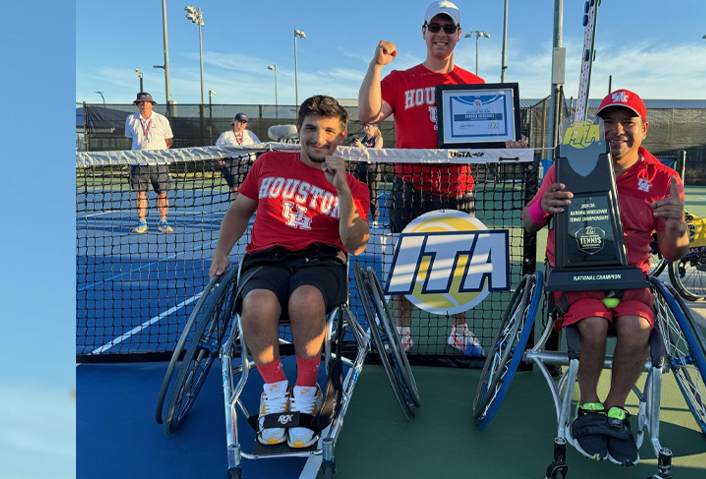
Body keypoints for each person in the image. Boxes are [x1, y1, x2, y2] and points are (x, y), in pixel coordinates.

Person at [521, 89, 689, 466]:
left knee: (636, 327)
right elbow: (528, 222)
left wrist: (678, 224)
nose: (616, 131)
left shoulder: (665, 179)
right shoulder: (563, 168)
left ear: (643, 128)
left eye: (627, 122)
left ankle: (616, 410)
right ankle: (590, 404)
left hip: (627, 284)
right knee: (594, 325)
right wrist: (543, 208)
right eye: (607, 123)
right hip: (575, 282)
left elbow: (672, 252)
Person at [209, 95, 370, 448]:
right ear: (299, 131)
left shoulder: (355, 187)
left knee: (306, 301)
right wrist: (221, 253)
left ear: (341, 137)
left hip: (322, 259)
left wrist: (342, 188)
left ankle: (305, 388)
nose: (318, 137)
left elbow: (355, 243)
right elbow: (239, 211)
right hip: (265, 259)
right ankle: (275, 388)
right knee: (256, 306)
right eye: (310, 128)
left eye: (328, 130)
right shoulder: (267, 162)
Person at [358, 0, 503, 356]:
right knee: (405, 263)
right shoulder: (400, 80)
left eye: (448, 28)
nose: (441, 34)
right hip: (410, 188)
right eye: (434, 28)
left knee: (463, 264)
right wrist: (376, 66)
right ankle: (402, 332)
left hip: (459, 189)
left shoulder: (474, 84)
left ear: (458, 35)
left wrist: (509, 141)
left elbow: (489, 137)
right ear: (423, 32)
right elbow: (368, 113)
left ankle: (460, 330)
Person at [125, 92, 174, 233]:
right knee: (140, 193)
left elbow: (168, 141)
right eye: (141, 102)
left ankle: (163, 221)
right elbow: (130, 140)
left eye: (147, 102)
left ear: (152, 104)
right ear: (137, 104)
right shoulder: (130, 119)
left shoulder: (161, 119)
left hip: (159, 163)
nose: (144, 104)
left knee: (162, 193)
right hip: (138, 163)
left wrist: (156, 153)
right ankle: (142, 222)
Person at [216, 113, 261, 200]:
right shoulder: (225, 135)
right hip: (233, 165)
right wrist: (222, 163)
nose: (242, 124)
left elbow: (260, 147)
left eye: (244, 122)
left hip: (248, 165)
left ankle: (251, 210)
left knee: (249, 189)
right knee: (235, 191)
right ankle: (236, 211)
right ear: (234, 121)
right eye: (240, 121)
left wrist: (256, 162)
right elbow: (216, 151)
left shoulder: (250, 134)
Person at [351, 122, 383, 222]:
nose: (366, 128)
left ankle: (375, 220)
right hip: (361, 169)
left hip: (373, 171)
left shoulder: (378, 139)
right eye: (365, 126)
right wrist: (354, 146)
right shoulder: (361, 140)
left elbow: (374, 153)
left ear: (374, 127)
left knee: (372, 196)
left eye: (368, 126)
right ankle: (358, 217)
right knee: (357, 194)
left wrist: (361, 146)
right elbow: (355, 153)